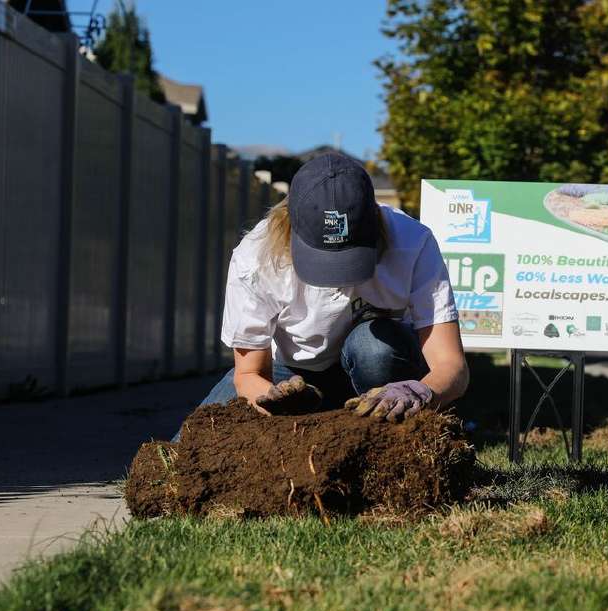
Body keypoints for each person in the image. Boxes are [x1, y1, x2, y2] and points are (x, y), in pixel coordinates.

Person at [185, 153, 468, 429]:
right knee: (190, 445)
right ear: (290, 224)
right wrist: (276, 401)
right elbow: (249, 373)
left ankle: (384, 433)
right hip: (295, 371)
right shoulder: (256, 257)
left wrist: (417, 393)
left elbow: (451, 365)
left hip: (384, 375)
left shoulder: (412, 242)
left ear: (375, 221)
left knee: (373, 347)